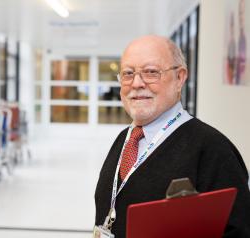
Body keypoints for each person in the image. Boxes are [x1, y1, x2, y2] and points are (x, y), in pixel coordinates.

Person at [94, 35, 250, 238]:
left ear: (179, 78)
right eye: (128, 73)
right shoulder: (125, 139)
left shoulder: (212, 149)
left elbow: (239, 231)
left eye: (151, 72)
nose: (137, 83)